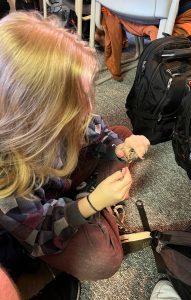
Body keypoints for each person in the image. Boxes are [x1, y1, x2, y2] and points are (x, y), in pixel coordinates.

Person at [0, 11, 150, 282]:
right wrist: (92, 204)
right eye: (77, 101)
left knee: (121, 135)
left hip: (60, 183)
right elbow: (38, 233)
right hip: (36, 224)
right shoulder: (6, 173)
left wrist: (117, 149)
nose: (88, 107)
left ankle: (90, 201)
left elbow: (96, 130)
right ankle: (95, 206)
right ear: (34, 109)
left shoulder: (62, 116)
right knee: (103, 260)